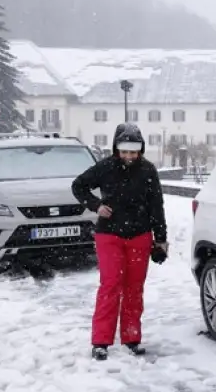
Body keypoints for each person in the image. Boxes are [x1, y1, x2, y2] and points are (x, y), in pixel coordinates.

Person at [72, 122, 168, 361]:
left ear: (141, 150)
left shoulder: (148, 171)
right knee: (110, 286)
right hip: (109, 235)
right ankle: (101, 341)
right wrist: (96, 205)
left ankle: (131, 337)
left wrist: (161, 239)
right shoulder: (104, 168)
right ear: (116, 149)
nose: (129, 156)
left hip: (140, 235)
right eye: (124, 151)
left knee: (134, 288)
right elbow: (79, 186)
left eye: (133, 152)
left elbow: (157, 206)